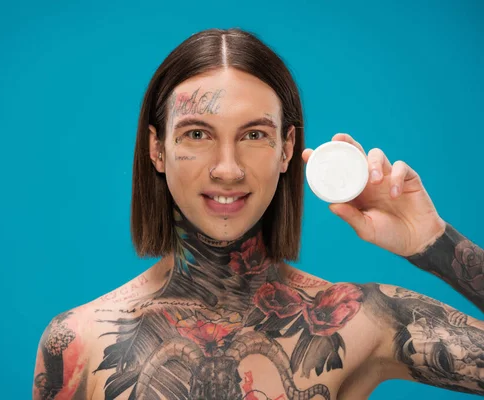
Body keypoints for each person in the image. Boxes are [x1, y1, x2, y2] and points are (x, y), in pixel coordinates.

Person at [32, 28, 484, 400]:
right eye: (196, 133)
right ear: (157, 149)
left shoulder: (362, 321)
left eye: (252, 134)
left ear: (286, 149)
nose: (227, 169)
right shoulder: (77, 342)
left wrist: (434, 242)